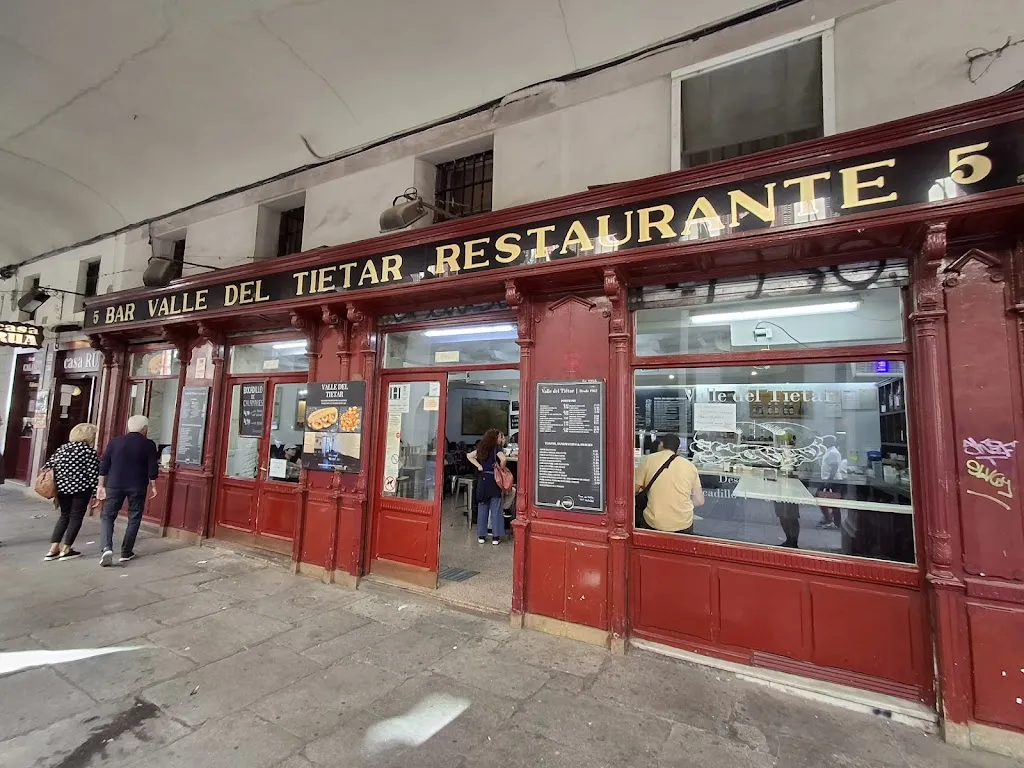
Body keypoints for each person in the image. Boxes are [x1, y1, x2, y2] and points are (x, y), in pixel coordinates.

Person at [96, 414, 159, 567]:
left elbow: (104, 465)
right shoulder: (148, 444)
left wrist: (100, 485)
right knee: (134, 517)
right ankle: (126, 552)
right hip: (137, 485)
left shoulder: (115, 442)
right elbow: (152, 468)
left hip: (114, 483)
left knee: (107, 516)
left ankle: (106, 548)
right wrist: (154, 485)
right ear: (145, 429)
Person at [42, 423, 100, 561]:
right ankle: (66, 549)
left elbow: (47, 466)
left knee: (64, 516)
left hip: (62, 489)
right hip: (81, 490)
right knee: (76, 517)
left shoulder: (63, 449)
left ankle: (53, 549)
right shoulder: (89, 452)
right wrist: (95, 495)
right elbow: (93, 475)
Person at [634, 434, 704, 534]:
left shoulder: (648, 460)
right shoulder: (689, 466)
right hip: (683, 523)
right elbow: (700, 500)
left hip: (654, 522)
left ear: (661, 444)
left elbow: (633, 490)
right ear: (678, 448)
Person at [468, 429, 507, 545]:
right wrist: (502, 467)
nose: (501, 439)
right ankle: (495, 537)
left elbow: (469, 456)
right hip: (494, 481)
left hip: (483, 480)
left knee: (482, 508)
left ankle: (481, 536)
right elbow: (504, 459)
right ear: (495, 438)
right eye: (500, 437)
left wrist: (479, 466)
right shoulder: (497, 449)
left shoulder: (482, 448)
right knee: (496, 509)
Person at [816, 435, 848, 530]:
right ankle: (829, 519)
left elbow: (834, 468)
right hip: (829, 479)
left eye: (825, 441)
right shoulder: (829, 451)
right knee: (824, 500)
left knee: (832, 502)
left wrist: (829, 480)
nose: (824, 443)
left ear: (830, 442)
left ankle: (833, 521)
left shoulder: (833, 453)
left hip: (832, 480)